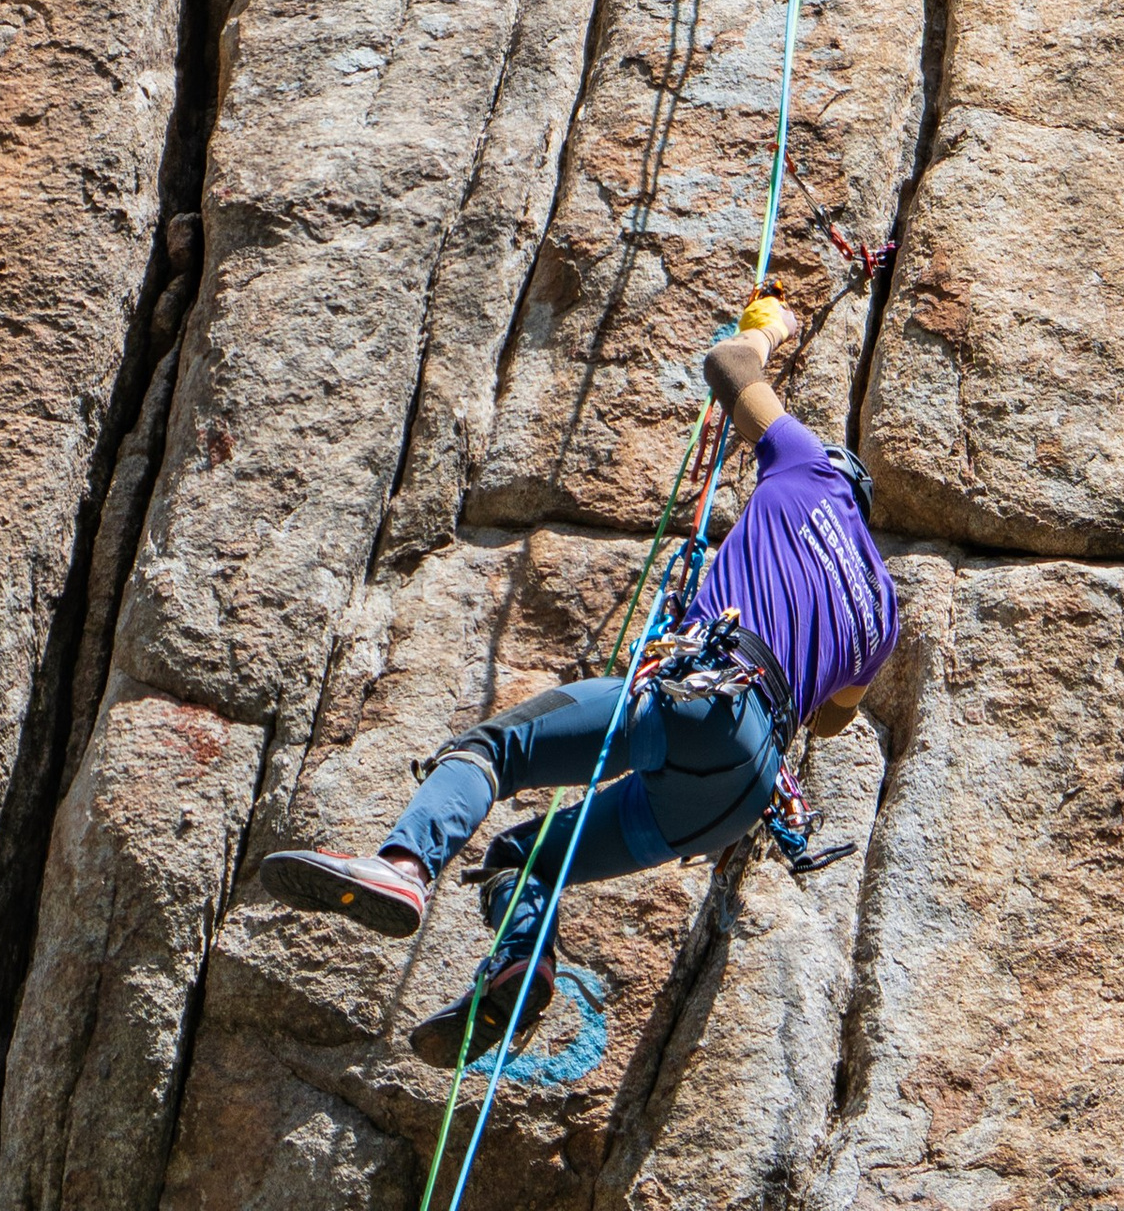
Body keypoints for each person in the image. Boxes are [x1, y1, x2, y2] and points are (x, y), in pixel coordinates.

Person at [261, 295, 899, 1057]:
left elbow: (728, 369)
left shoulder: (806, 467)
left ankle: (402, 865)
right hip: (738, 794)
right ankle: (521, 963)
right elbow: (831, 719)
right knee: (524, 858)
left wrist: (768, 330)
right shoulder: (882, 611)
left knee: (495, 752)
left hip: (703, 697)